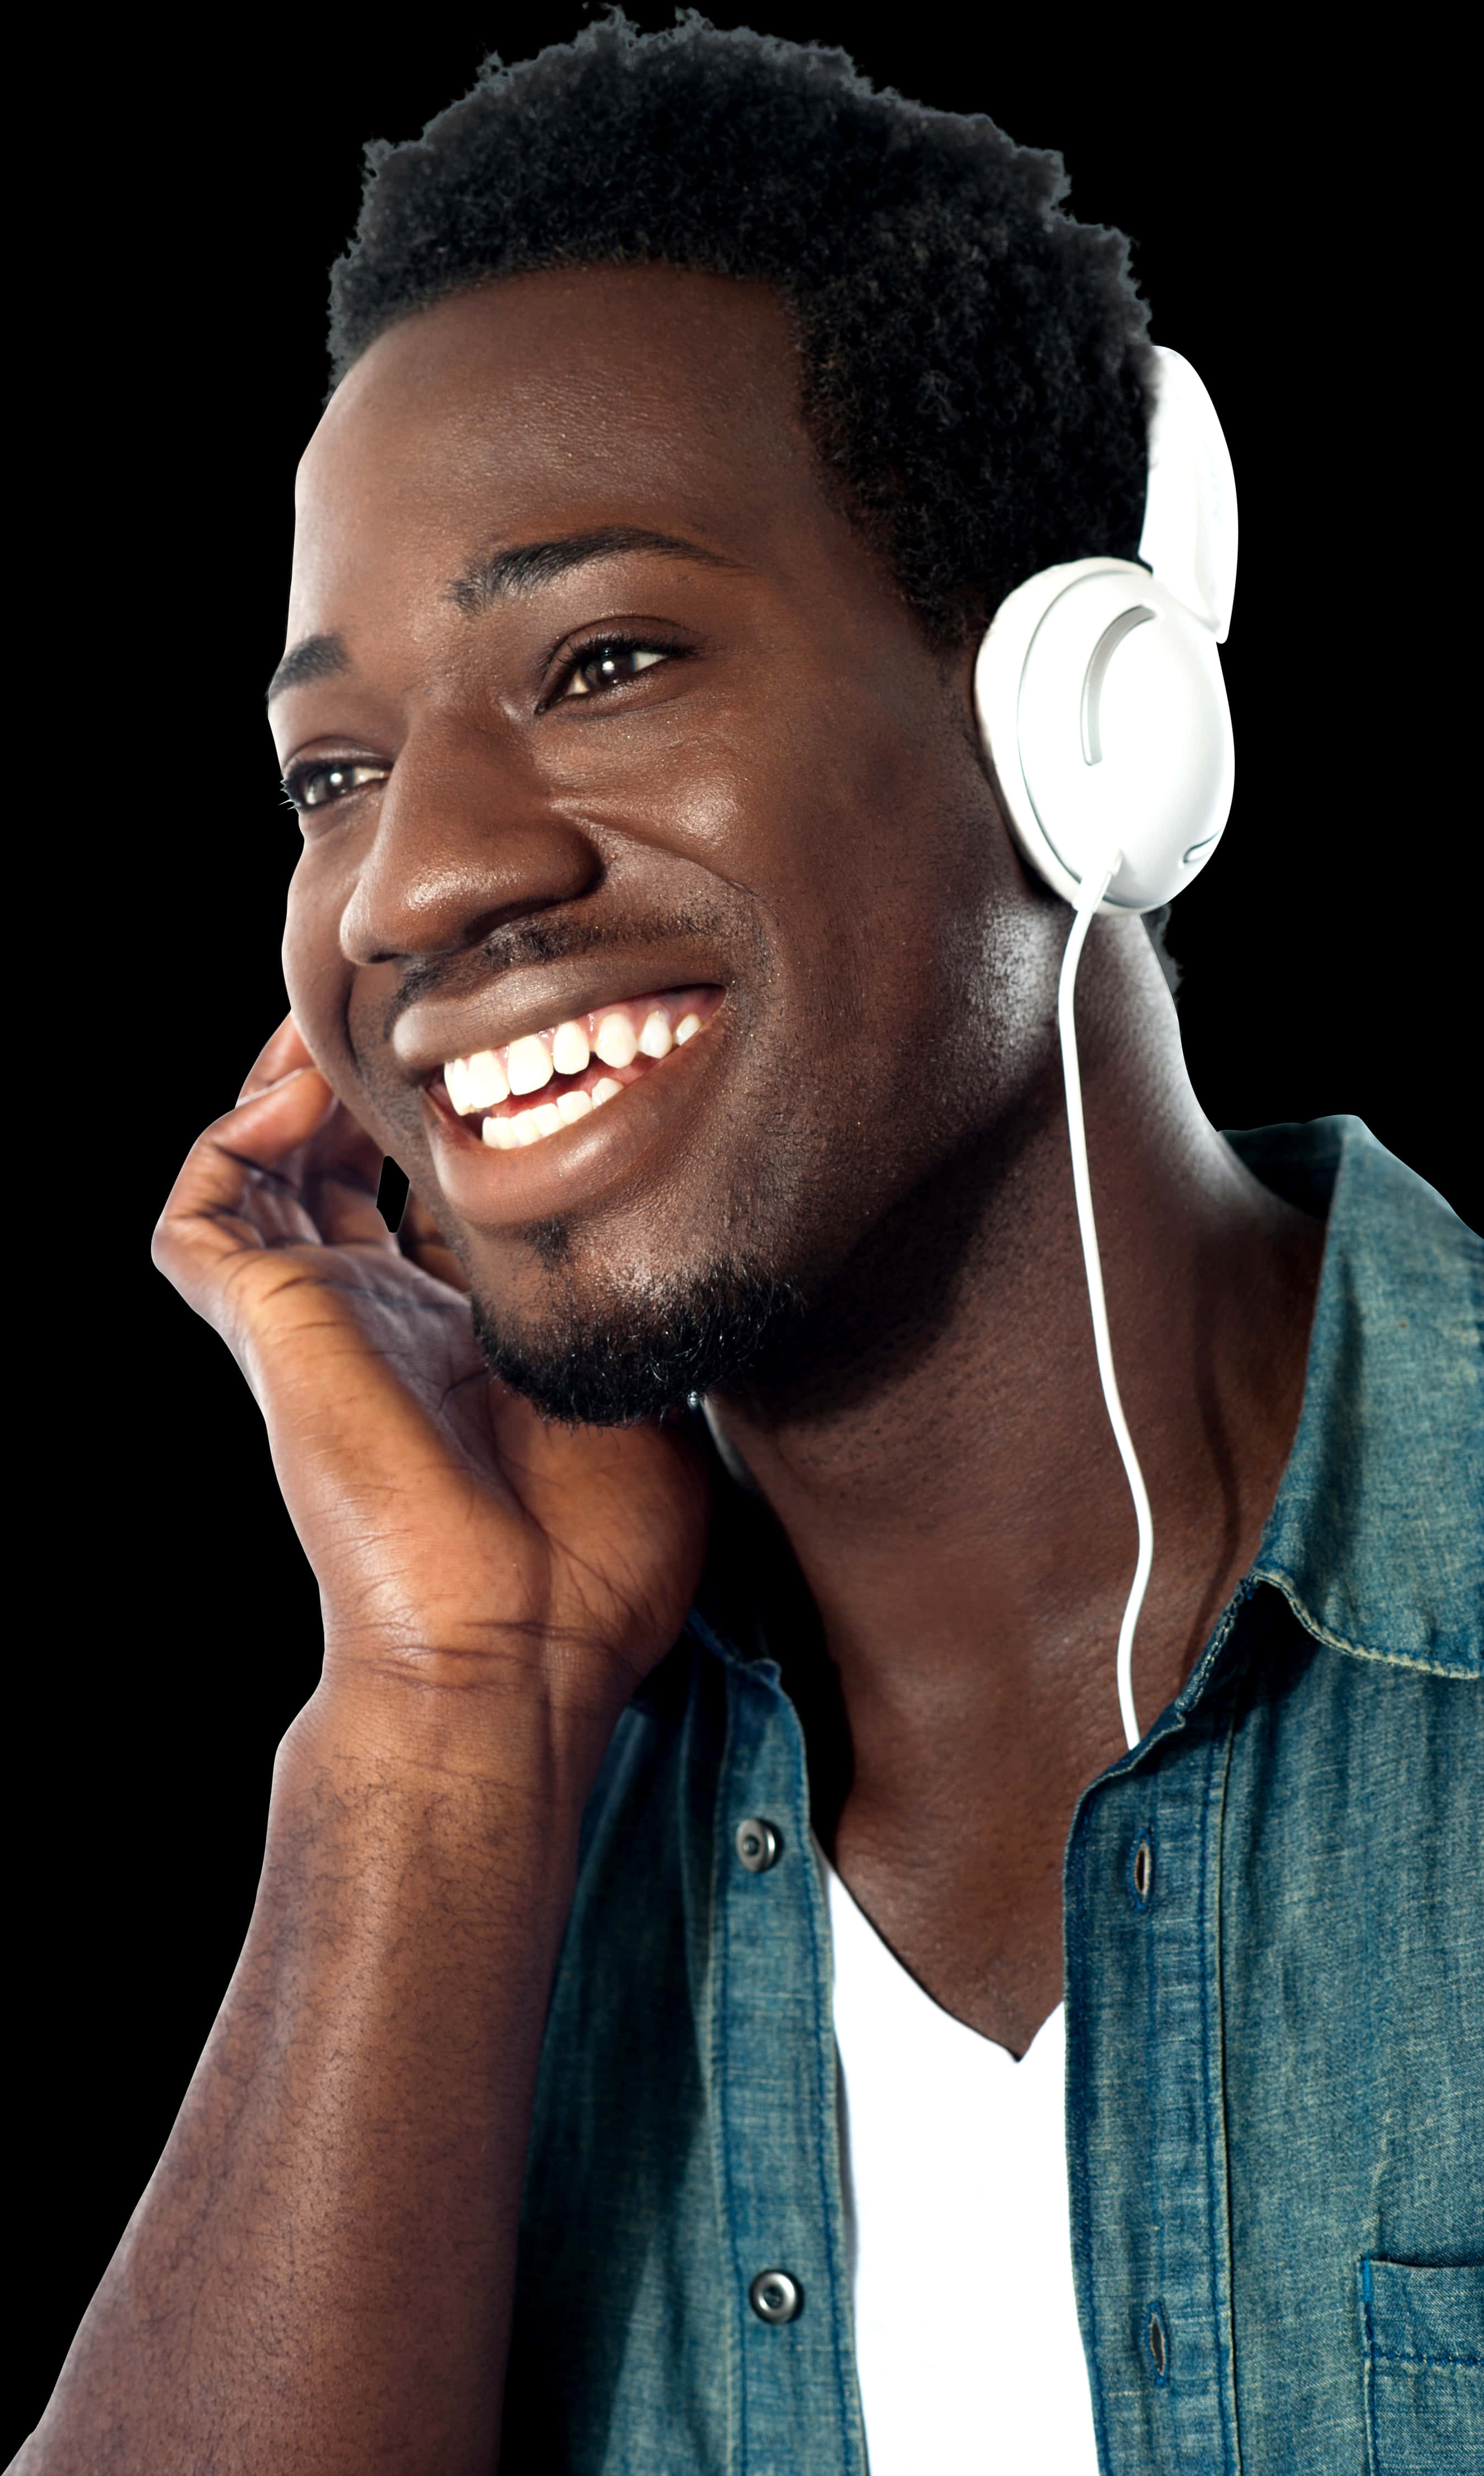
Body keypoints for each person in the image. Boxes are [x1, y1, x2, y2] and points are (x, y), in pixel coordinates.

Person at [23, 19, 1481, 2474]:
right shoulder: (476, 1821)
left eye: (601, 660)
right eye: (336, 772)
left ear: (1070, 725)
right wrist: (446, 1698)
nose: (413, 883)